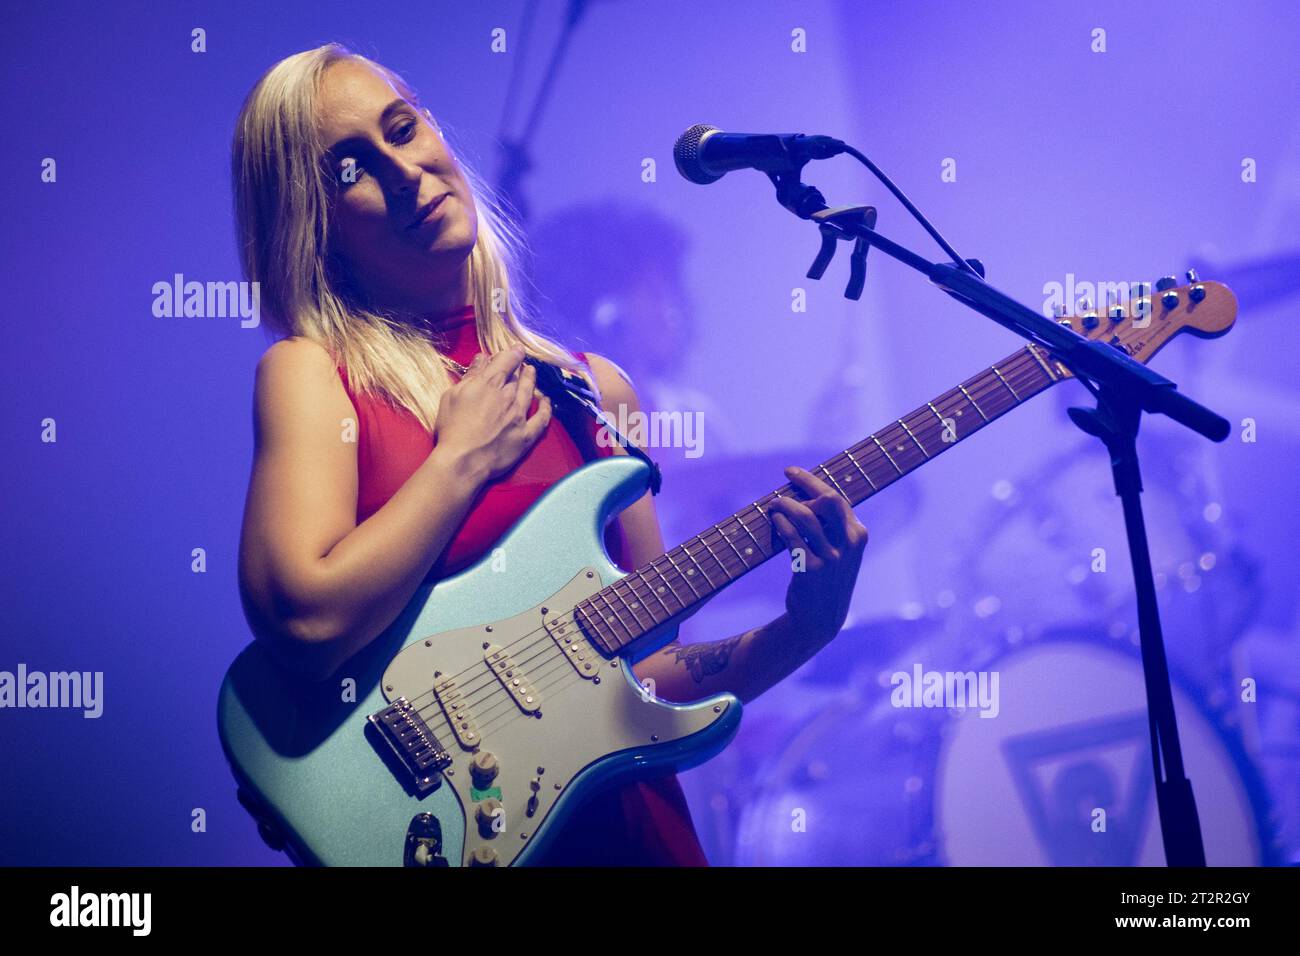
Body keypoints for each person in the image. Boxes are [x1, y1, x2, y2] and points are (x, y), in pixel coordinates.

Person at [230, 42, 869, 866]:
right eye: (350, 168)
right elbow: (303, 618)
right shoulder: (313, 376)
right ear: (312, 226)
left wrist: (806, 628)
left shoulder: (594, 390)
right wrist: (459, 460)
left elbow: (650, 673)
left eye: (403, 127)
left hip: (641, 837)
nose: (402, 169)